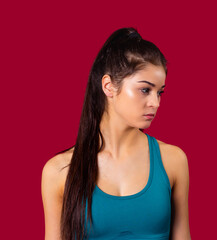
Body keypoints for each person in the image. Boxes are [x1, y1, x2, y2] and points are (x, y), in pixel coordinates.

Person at [41, 27, 191, 240]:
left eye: (160, 92)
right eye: (145, 90)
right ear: (109, 86)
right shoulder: (59, 171)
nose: (155, 103)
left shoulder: (173, 160)